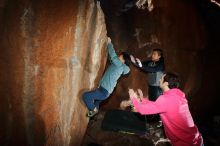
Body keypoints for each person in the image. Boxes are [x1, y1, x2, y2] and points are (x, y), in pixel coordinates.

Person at [128, 73, 204, 146]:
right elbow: (158, 106)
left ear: (166, 83)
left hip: (185, 143)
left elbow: (142, 110)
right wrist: (142, 99)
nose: (159, 80)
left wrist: (133, 97)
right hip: (196, 139)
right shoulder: (178, 96)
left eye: (161, 79)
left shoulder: (166, 99)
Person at [83, 37, 131, 117]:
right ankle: (94, 114)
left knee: (86, 96)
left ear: (123, 60)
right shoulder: (117, 66)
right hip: (105, 91)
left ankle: (94, 110)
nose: (118, 57)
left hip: (104, 92)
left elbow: (113, 56)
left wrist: (109, 43)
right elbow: (112, 59)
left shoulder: (119, 66)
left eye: (120, 56)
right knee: (97, 102)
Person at [130, 48, 165, 123]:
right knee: (151, 103)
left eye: (154, 54)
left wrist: (141, 65)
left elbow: (152, 69)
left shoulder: (160, 64)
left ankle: (158, 120)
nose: (152, 55)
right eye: (152, 54)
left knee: (156, 105)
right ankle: (152, 120)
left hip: (157, 88)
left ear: (159, 56)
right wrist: (134, 61)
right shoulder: (151, 62)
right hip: (151, 87)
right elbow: (141, 64)